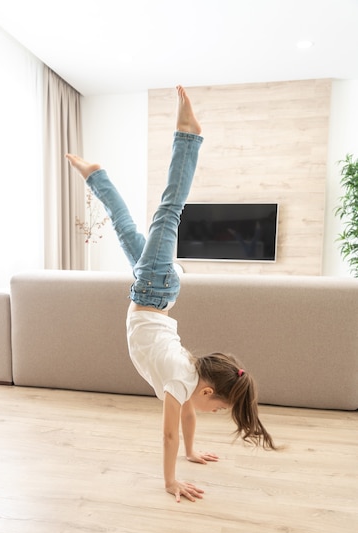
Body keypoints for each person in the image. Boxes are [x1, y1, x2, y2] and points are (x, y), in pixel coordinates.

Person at [66, 85, 276, 503]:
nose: (211, 413)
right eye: (217, 409)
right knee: (170, 209)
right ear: (206, 391)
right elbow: (168, 431)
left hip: (156, 290)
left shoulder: (186, 383)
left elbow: (184, 421)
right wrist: (170, 482)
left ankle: (96, 176)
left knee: (127, 230)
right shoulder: (182, 382)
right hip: (154, 288)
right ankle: (188, 135)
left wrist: (192, 451)